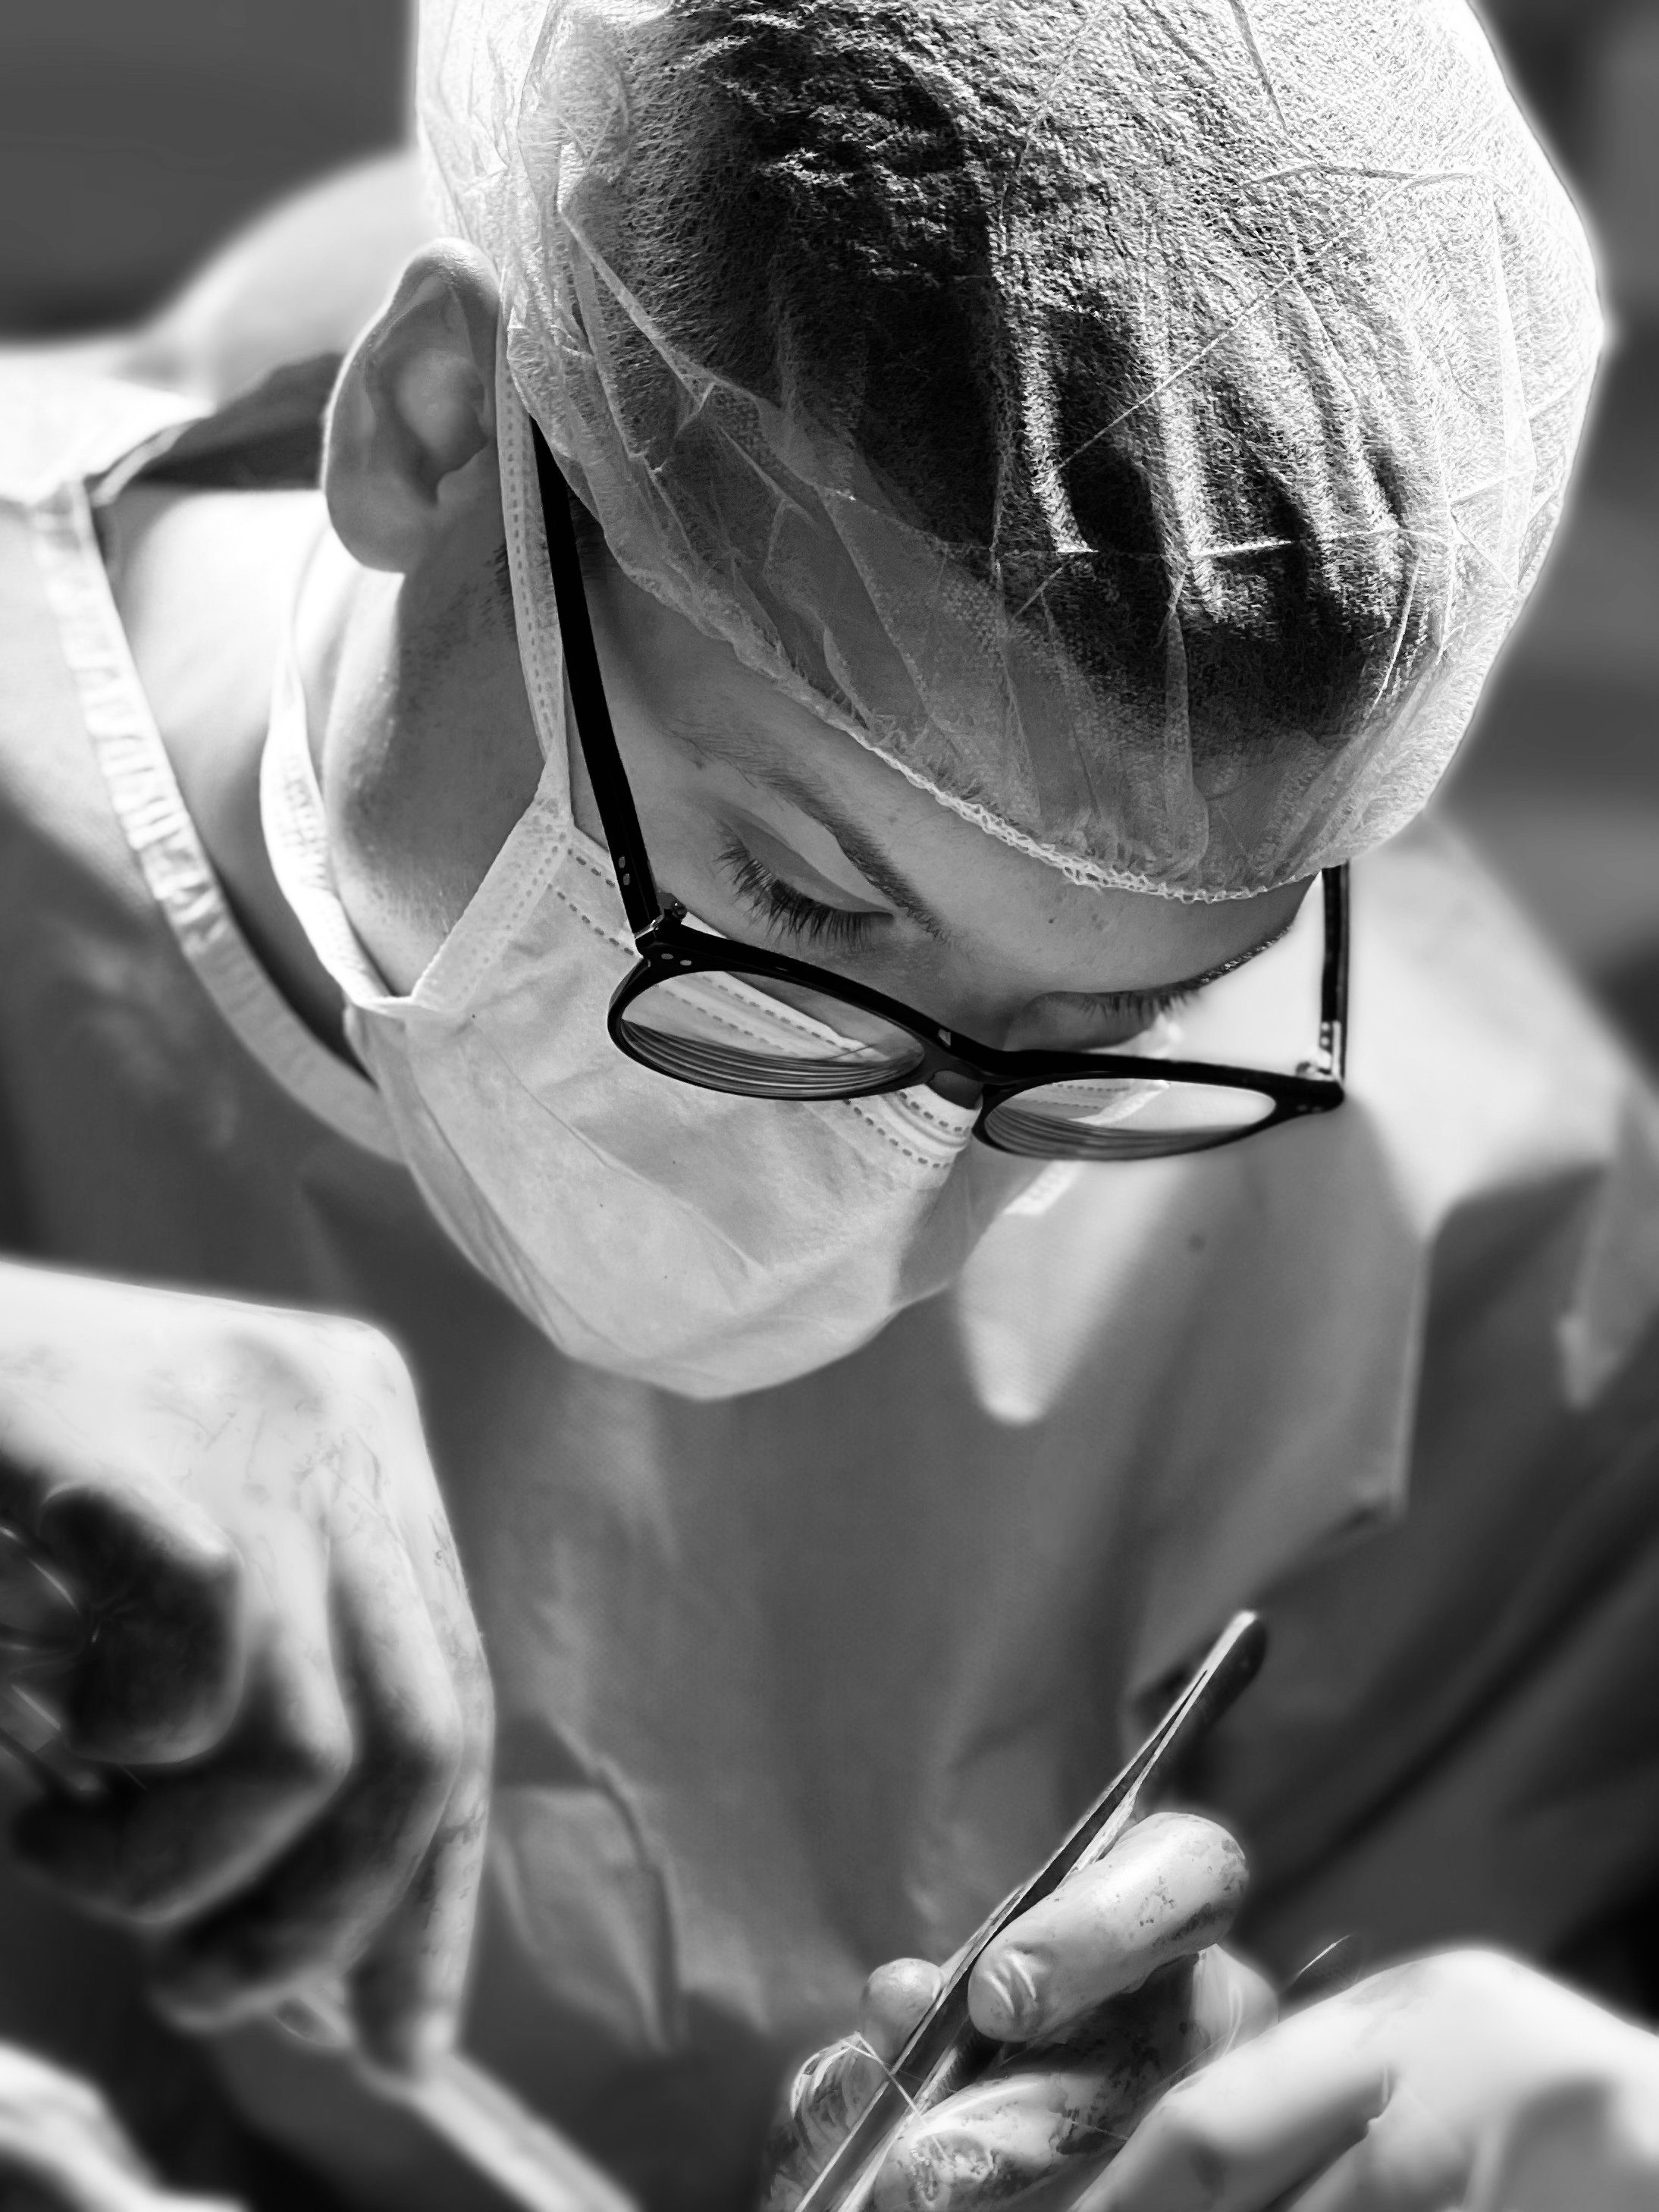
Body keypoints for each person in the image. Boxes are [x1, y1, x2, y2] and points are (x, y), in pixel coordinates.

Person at [2, 2, 1659, 2209]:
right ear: (435, 424)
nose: (890, 1167)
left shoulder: (1443, 1232)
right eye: (797, 895)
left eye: (1106, 1026)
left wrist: (1215, 2130)